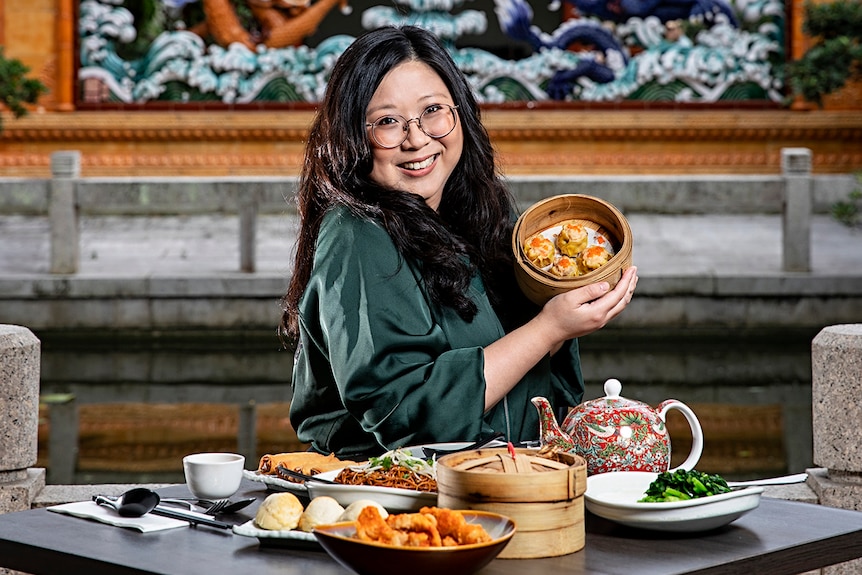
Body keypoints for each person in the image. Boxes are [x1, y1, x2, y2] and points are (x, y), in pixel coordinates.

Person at [281, 25, 638, 460]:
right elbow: (406, 414)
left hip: (501, 480)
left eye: (433, 110)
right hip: (385, 502)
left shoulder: (480, 209)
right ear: (353, 134)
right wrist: (550, 328)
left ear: (460, 113)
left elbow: (527, 367)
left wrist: (568, 313)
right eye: (388, 122)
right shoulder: (356, 232)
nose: (416, 139)